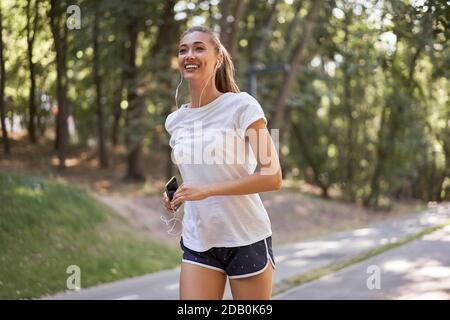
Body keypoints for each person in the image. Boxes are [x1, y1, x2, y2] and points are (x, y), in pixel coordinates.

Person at [162, 26, 282, 300]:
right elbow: (196, 173)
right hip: (199, 238)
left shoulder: (242, 106)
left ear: (217, 59)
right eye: (183, 50)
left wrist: (208, 190)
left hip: (245, 236)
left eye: (199, 48)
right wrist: (176, 195)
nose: (189, 54)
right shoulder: (175, 121)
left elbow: (273, 177)